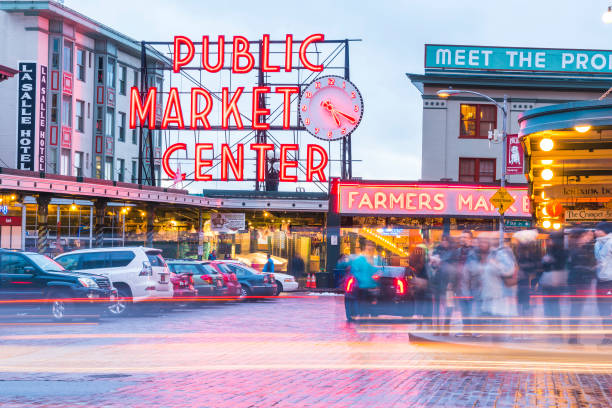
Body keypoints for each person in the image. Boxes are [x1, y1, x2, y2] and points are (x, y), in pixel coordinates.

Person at [480, 236, 518, 337]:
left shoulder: (500, 254)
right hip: (488, 293)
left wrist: (496, 264)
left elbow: (508, 270)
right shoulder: (488, 254)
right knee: (492, 322)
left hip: (497, 294)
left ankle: (498, 342)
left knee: (497, 322)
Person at [566, 228, 596, 344]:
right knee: (576, 311)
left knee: (576, 310)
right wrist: (593, 269)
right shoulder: (578, 251)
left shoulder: (577, 249)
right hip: (579, 284)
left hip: (578, 283)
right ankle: (573, 337)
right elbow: (580, 268)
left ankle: (573, 337)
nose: (589, 237)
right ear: (580, 236)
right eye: (586, 235)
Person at [462, 236, 490, 336]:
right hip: (476, 287)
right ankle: (476, 330)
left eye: (484, 242)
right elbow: (468, 270)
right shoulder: (473, 254)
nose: (482, 244)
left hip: (486, 288)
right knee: (476, 310)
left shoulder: (491, 254)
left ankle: (480, 330)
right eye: (480, 242)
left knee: (482, 310)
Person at [539, 231, 566, 331]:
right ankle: (555, 326)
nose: (547, 242)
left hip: (552, 282)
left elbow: (547, 266)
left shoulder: (557, 253)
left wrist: (546, 261)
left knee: (552, 304)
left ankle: (554, 326)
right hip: (551, 282)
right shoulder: (554, 251)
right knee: (552, 304)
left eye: (549, 240)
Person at [431, 234, 456, 335]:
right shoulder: (437, 251)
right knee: (436, 307)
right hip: (437, 282)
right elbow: (432, 266)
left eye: (446, 241)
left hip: (448, 283)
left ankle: (446, 329)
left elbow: (454, 269)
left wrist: (451, 282)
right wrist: (433, 264)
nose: (444, 242)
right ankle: (437, 329)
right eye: (443, 240)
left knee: (448, 306)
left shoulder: (453, 253)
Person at [594, 222, 612, 345]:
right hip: (601, 280)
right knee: (603, 310)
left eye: (598, 229)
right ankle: (607, 336)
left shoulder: (611, 242)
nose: (595, 232)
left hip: (610, 280)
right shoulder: (597, 244)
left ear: (604, 230)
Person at [453, 230, 474, 335]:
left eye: (465, 237)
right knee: (464, 310)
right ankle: (467, 331)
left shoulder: (475, 252)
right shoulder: (457, 252)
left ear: (471, 239)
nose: (463, 239)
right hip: (460, 285)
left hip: (471, 286)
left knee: (472, 309)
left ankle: (473, 330)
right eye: (462, 237)